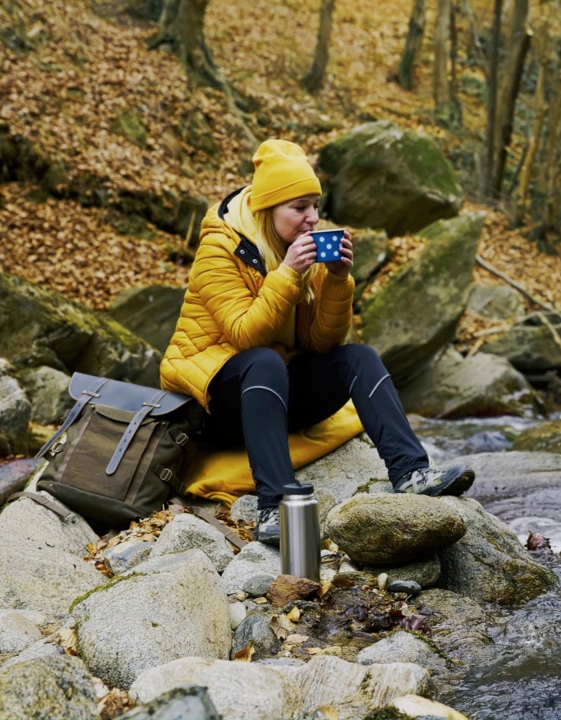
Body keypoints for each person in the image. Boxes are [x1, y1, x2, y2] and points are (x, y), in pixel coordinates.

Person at [160, 139, 473, 544]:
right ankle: (274, 506)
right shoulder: (220, 248)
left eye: (315, 206)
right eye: (299, 208)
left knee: (357, 357)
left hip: (277, 397)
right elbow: (244, 334)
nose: (312, 218)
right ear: (267, 208)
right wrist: (288, 274)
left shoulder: (300, 250)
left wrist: (339, 280)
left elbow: (320, 343)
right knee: (264, 361)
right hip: (216, 408)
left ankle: (410, 471)